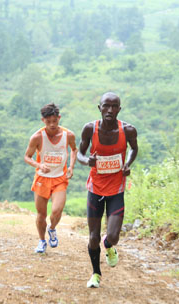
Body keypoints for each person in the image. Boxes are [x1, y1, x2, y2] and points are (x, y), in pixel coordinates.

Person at [77, 92, 138, 288]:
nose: (110, 110)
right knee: (93, 237)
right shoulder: (90, 129)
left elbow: (134, 148)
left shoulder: (128, 130)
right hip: (95, 189)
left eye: (114, 106)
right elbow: (79, 153)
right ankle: (96, 274)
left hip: (116, 189)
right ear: (100, 108)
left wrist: (127, 164)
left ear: (119, 109)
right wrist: (88, 161)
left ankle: (109, 246)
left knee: (112, 236)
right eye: (106, 106)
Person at [24, 103, 77, 253]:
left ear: (59, 118)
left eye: (55, 121)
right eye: (48, 122)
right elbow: (27, 157)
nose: (52, 125)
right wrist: (38, 165)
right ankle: (41, 241)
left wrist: (71, 166)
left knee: (57, 210)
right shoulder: (37, 137)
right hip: (42, 179)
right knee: (41, 214)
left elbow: (74, 150)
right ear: (43, 120)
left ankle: (52, 229)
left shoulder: (68, 135)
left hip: (60, 178)